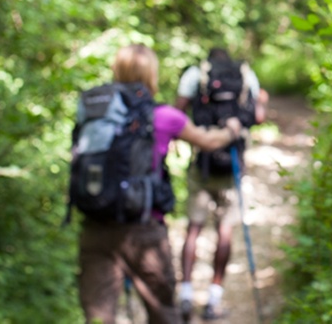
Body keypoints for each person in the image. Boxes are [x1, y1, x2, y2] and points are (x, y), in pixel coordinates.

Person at [77, 44, 242, 324]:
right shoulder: (164, 117)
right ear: (152, 73)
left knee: (98, 316)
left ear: (116, 71)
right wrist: (232, 130)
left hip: (95, 225)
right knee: (163, 314)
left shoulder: (93, 111)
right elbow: (209, 141)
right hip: (144, 229)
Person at [175, 47, 265, 321]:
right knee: (225, 231)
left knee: (193, 229)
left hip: (201, 163)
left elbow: (178, 114)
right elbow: (258, 117)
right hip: (234, 163)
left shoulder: (195, 74)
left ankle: (186, 295)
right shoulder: (246, 74)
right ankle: (214, 299)